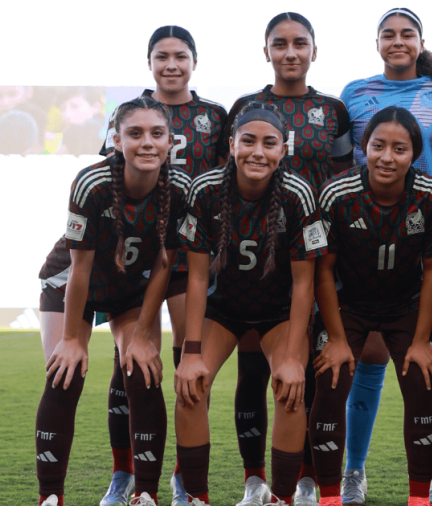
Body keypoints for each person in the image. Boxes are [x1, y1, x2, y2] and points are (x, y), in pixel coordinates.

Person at [217, 14, 355, 504]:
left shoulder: (333, 111)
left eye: (300, 44)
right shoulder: (246, 108)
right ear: (267, 51)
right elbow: (226, 182)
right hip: (256, 260)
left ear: (314, 52)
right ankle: (255, 479)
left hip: (317, 254)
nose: (290, 52)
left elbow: (343, 180)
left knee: (310, 367)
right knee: (253, 368)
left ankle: (306, 478)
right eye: (280, 44)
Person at [89, 26, 229, 506]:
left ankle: (179, 475)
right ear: (149, 62)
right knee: (128, 359)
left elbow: (225, 183)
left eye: (181, 56)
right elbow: (109, 181)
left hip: (193, 252)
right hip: (137, 253)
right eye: (162, 56)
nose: (172, 65)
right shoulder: (128, 112)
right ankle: (124, 473)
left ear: (195, 61)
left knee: (189, 361)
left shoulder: (214, 116)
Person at [338, 8, 432, 504]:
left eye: (406, 34)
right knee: (367, 362)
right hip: (367, 239)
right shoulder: (355, 93)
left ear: (420, 41)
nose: (398, 41)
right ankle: (354, 471)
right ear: (376, 44)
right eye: (388, 34)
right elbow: (342, 161)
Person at [35, 96, 189, 506]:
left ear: (171, 141)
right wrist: (72, 338)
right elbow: (80, 270)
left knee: (142, 368)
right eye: (135, 133)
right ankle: (50, 497)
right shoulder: (91, 183)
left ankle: (144, 493)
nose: (147, 143)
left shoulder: (180, 188)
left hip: (129, 289)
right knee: (65, 373)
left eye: (157, 133)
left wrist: (140, 333)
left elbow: (163, 266)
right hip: (71, 284)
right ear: (116, 141)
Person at [173, 102, 323, 506]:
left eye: (269, 143)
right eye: (249, 141)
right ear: (232, 144)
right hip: (223, 309)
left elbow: (303, 282)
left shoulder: (299, 194)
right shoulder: (204, 190)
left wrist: (293, 356)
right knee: (191, 384)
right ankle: (196, 497)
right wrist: (189, 353)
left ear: (283, 149)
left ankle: (282, 498)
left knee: (290, 388)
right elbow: (198, 276)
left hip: (278, 313)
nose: (258, 151)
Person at [310, 106, 432, 506]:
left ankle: (420, 496)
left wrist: (423, 339)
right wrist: (336, 338)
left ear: (414, 154)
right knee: (331, 381)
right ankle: (332, 496)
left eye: (399, 148)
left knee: (423, 379)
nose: (387, 157)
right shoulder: (336, 194)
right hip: (349, 304)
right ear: (363, 148)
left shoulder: (430, 196)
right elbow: (323, 271)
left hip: (404, 305)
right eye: (378, 146)